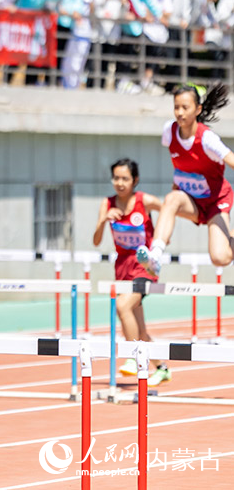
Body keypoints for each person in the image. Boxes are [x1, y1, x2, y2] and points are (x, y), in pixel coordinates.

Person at [138, 83, 234, 277]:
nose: (180, 113)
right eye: (176, 107)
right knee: (172, 198)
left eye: (185, 108)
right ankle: (155, 256)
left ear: (198, 109)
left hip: (216, 201)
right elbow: (180, 160)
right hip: (192, 201)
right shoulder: (169, 132)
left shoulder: (207, 139)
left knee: (219, 258)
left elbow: (231, 159)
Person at [92, 158, 170, 386]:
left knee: (122, 306)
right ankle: (162, 368)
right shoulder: (107, 204)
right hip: (123, 269)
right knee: (139, 329)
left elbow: (170, 211)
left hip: (144, 268)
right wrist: (103, 222)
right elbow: (96, 241)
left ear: (135, 180)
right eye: (116, 178)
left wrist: (162, 237)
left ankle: (133, 357)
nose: (120, 183)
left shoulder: (144, 201)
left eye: (125, 178)